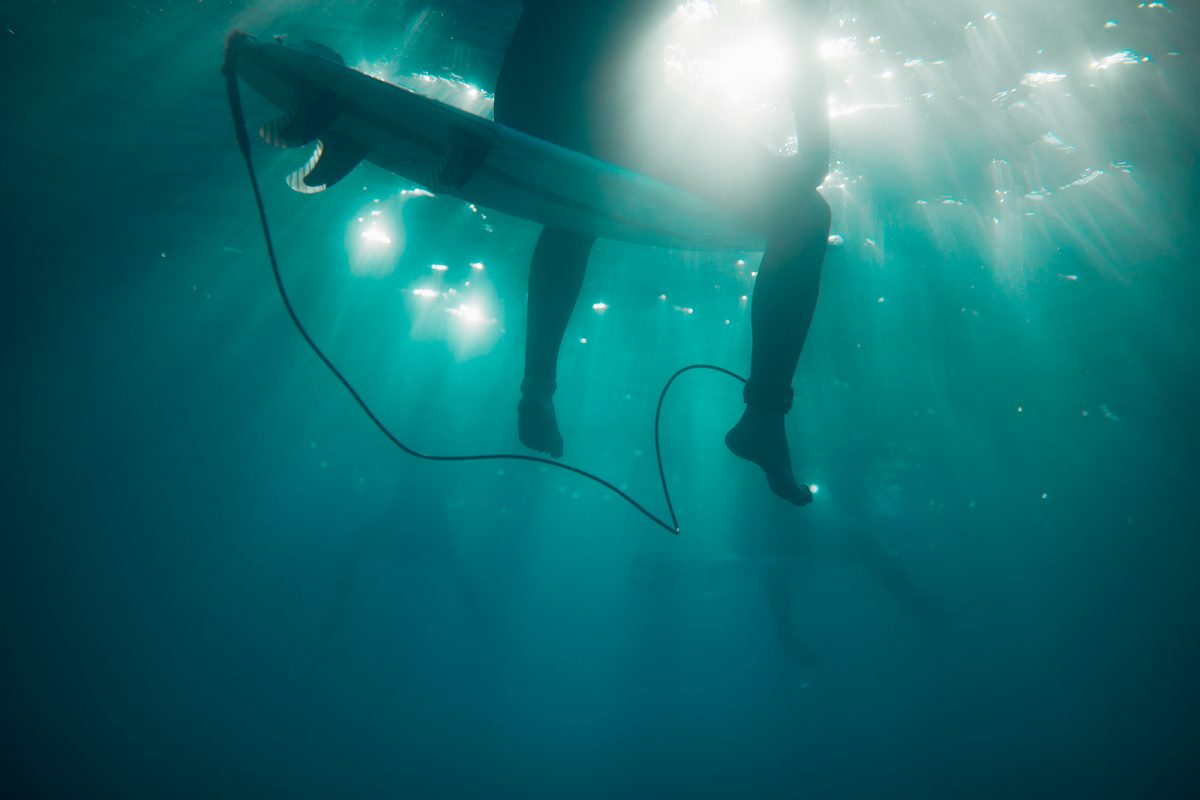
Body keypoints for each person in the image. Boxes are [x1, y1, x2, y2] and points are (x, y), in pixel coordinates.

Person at [494, 0, 832, 506]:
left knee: (580, 206)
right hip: (615, 113)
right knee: (806, 217)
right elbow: (793, 24)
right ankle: (763, 415)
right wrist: (815, 152)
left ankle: (536, 385)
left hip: (527, 102)